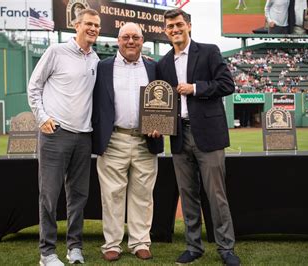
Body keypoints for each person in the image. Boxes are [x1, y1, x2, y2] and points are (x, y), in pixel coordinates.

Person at [156, 8, 240, 266]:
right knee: (188, 194)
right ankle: (194, 246)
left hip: (208, 134)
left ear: (188, 25)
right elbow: (163, 102)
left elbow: (227, 85)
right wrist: (158, 123)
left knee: (216, 195)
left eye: (179, 25)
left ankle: (226, 248)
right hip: (179, 135)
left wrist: (195, 88)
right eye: (170, 27)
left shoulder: (209, 51)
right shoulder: (163, 63)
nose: (175, 30)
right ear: (165, 31)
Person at [27, 8, 101, 266]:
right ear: (76, 26)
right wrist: (42, 118)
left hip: (84, 137)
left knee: (78, 196)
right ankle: (47, 253)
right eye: (89, 24)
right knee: (49, 195)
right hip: (55, 133)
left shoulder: (95, 58)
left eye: (97, 25)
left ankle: (74, 247)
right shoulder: (56, 51)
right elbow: (34, 85)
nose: (93, 28)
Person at [91, 22, 163, 262]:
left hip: (146, 140)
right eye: (126, 37)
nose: (131, 41)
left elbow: (165, 101)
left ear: (142, 41)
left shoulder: (155, 67)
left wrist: (160, 126)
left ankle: (140, 241)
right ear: (118, 41)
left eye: (136, 37)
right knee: (112, 195)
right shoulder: (102, 67)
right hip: (114, 139)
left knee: (143, 194)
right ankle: (112, 244)